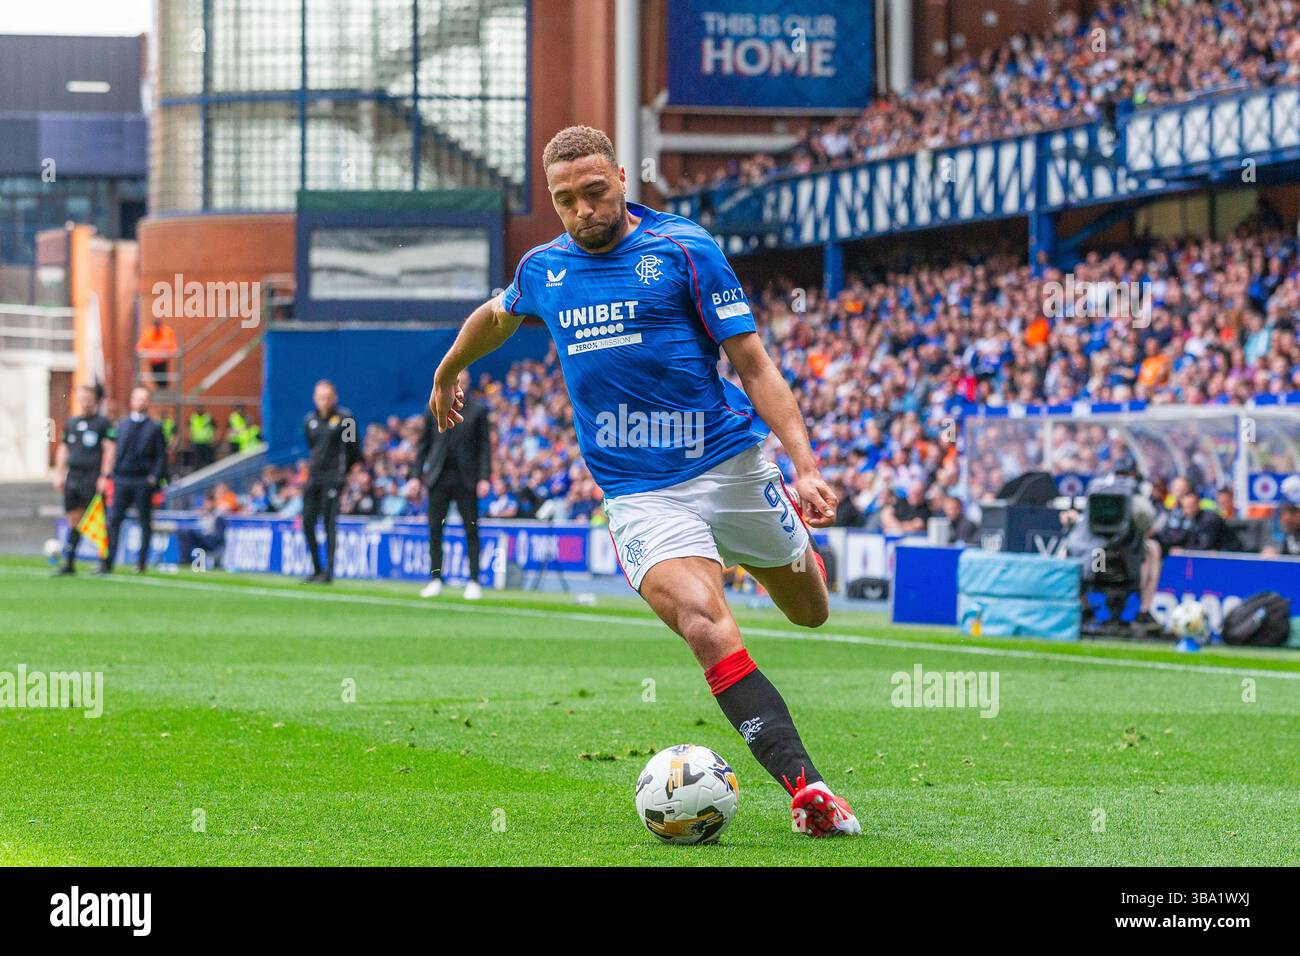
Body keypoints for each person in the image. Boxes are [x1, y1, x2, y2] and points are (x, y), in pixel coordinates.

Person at [426, 125, 859, 837]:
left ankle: (781, 550)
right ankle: (807, 789)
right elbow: (494, 317)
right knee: (702, 622)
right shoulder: (545, 268)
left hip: (729, 465)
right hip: (639, 493)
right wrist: (447, 372)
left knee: (809, 612)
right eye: (565, 200)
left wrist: (804, 464)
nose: (583, 211)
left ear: (624, 179)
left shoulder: (686, 250)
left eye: (595, 192)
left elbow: (753, 364)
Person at [416, 369, 491, 600]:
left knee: (471, 529)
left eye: (464, 382)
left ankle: (474, 580)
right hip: (438, 477)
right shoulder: (434, 406)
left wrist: (485, 477)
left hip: (466, 479)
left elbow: (485, 447)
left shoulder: (477, 410)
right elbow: (423, 445)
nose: (459, 386)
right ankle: (436, 578)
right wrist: (415, 476)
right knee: (435, 530)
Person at [52, 384, 116, 574]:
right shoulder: (72, 422)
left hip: (93, 477)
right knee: (73, 518)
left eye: (88, 398)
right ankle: (69, 562)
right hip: (74, 477)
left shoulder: (103, 423)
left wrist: (105, 475)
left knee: (99, 519)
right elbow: (64, 448)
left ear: (95, 400)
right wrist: (59, 473)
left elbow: (110, 449)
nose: (85, 401)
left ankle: (105, 562)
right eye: (82, 397)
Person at [301, 380, 360, 583]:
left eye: (327, 397)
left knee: (328, 524)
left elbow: (353, 449)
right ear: (315, 399)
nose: (324, 401)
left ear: (334, 398)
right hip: (314, 477)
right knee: (308, 522)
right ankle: (316, 568)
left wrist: (344, 474)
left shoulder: (346, 419)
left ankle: (329, 572)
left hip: (334, 478)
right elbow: (311, 447)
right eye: (320, 397)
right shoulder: (309, 420)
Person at [104, 387, 168, 574]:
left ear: (148, 402)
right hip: (122, 479)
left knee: (144, 522)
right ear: (132, 400)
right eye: (138, 398)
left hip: (142, 481)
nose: (141, 402)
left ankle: (141, 563)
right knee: (114, 520)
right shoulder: (121, 425)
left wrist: (153, 478)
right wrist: (110, 474)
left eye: (144, 399)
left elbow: (161, 456)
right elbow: (112, 450)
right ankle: (107, 561)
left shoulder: (155, 427)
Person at [135, 318, 178, 390]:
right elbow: (140, 346)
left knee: (163, 380)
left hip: (163, 361)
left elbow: (173, 347)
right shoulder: (149, 332)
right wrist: (146, 352)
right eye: (155, 327)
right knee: (156, 378)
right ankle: (160, 391)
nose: (157, 329)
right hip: (153, 361)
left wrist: (166, 353)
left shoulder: (167, 332)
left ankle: (163, 392)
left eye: (158, 327)